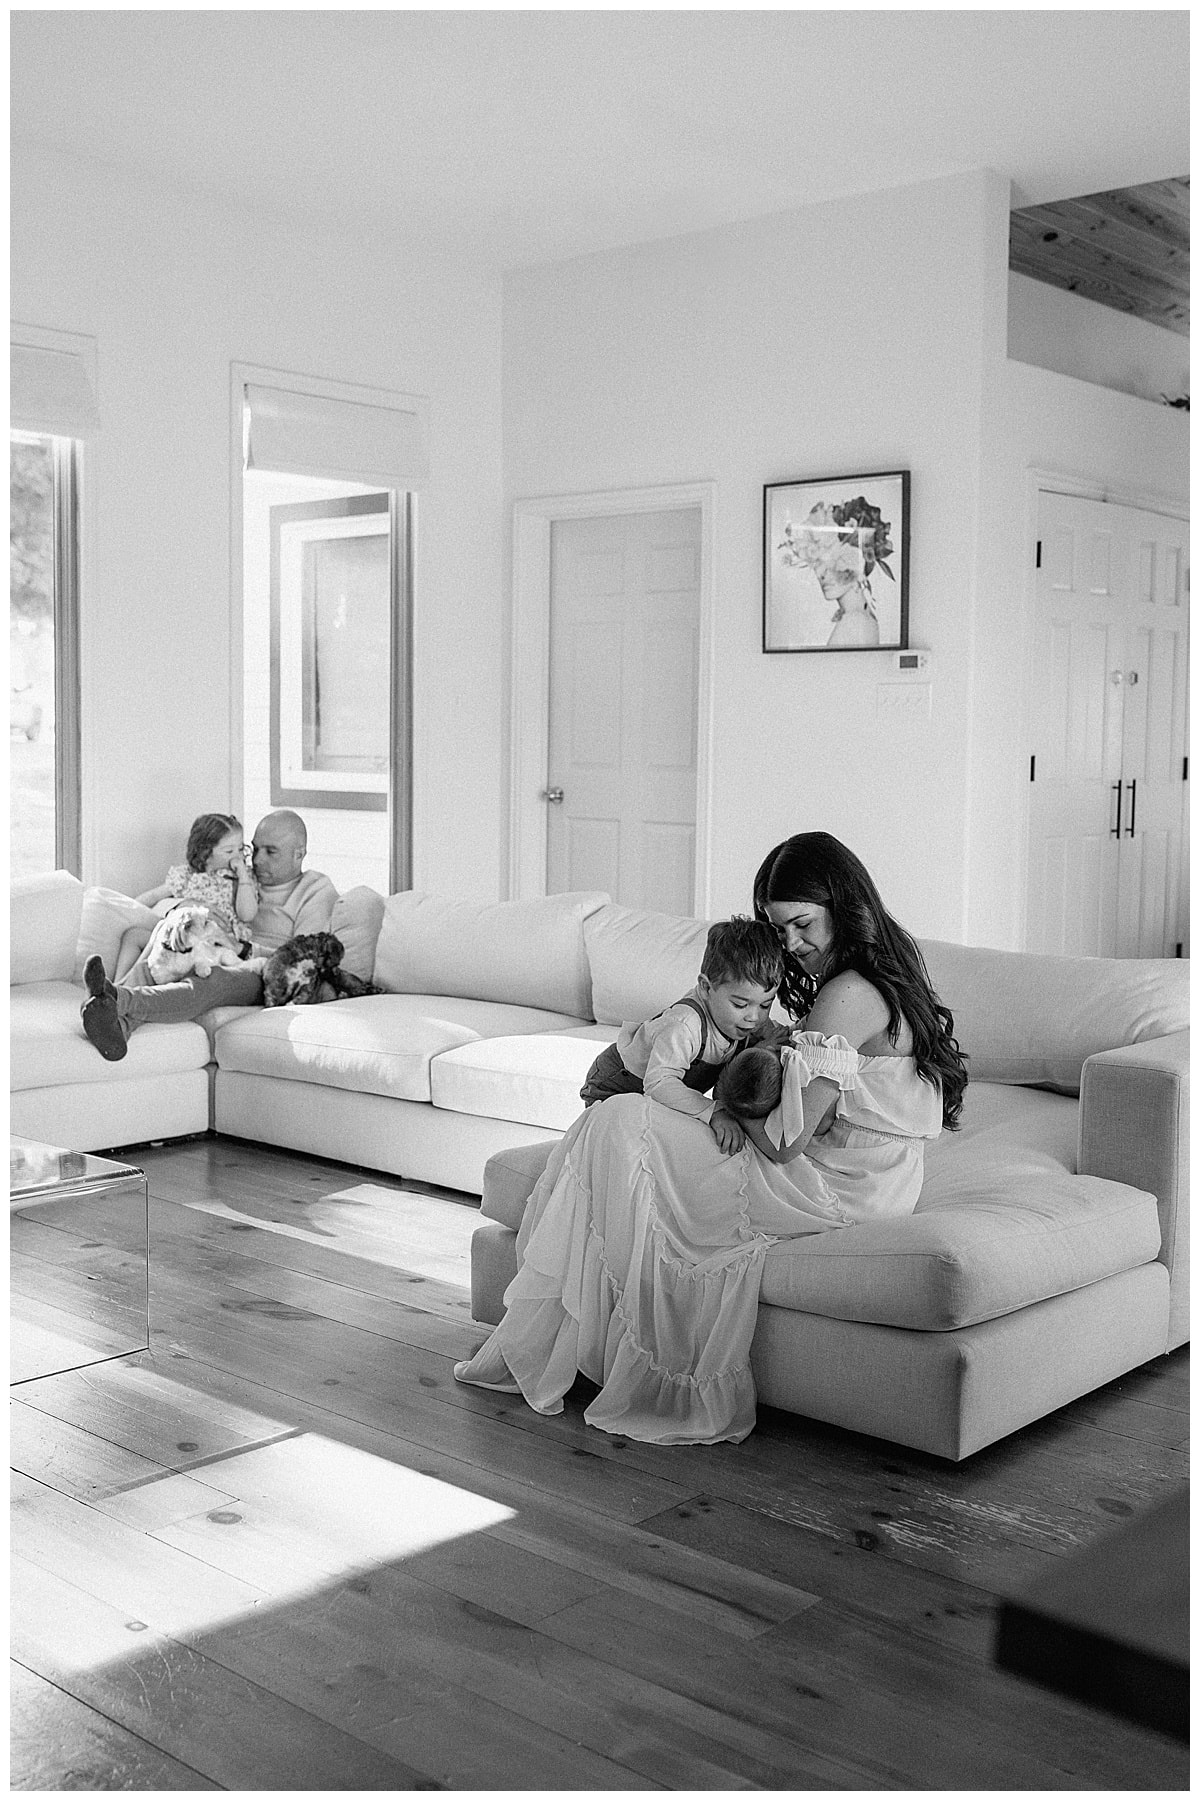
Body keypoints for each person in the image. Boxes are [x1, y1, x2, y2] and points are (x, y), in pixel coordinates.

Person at [453, 831, 968, 1446]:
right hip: (874, 1181)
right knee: (618, 1122)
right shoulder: (883, 977)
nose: (794, 947)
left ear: (843, 906)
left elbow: (786, 1144)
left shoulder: (847, 994)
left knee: (616, 1122)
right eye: (779, 932)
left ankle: (575, 1347)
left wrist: (727, 1099)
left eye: (803, 925)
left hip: (827, 1185)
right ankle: (583, 1342)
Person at [80, 808, 338, 1061]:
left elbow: (304, 961)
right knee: (161, 942)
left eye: (271, 852)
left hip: (263, 972)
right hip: (214, 947)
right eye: (255, 849)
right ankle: (116, 1024)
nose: (257, 860)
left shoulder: (315, 889)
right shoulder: (240, 878)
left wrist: (242, 949)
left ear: (299, 854)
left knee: (212, 978)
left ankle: (117, 998)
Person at [579, 917, 786, 1152]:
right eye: (740, 1004)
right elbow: (660, 1084)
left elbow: (779, 1034)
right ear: (706, 988)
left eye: (765, 1005)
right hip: (618, 1084)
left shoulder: (750, 1018)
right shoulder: (684, 1025)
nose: (754, 1017)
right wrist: (714, 1111)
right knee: (620, 1149)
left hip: (659, 1090)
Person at [135, 812, 259, 953]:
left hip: (220, 942)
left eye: (241, 848)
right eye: (229, 851)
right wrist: (128, 908)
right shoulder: (186, 876)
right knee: (133, 937)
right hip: (184, 939)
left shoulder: (241, 878)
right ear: (205, 854)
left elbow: (247, 915)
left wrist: (242, 876)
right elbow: (153, 896)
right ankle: (124, 976)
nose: (238, 856)